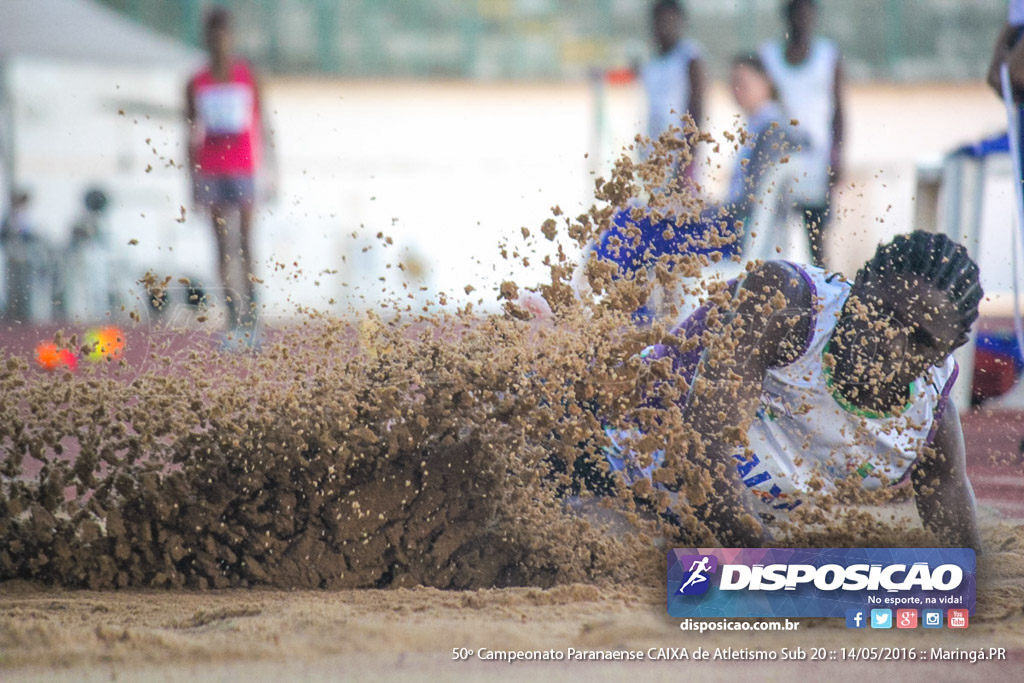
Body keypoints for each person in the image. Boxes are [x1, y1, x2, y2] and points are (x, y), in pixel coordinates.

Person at [598, 231, 983, 551]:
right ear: (858, 286)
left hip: (696, 526)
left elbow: (958, 529)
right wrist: (771, 569)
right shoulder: (788, 303)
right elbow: (703, 447)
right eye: (884, 315)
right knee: (595, 545)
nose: (891, 346)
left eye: (920, 341)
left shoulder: (927, 415)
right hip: (604, 455)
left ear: (943, 353)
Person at [593, 55, 803, 323]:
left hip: (731, 238)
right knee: (633, 221)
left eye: (742, 82)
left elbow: (748, 204)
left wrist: (701, 210)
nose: (735, 89)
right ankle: (634, 320)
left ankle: (634, 323)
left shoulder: (772, 129)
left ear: (767, 83)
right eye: (731, 82)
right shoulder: (762, 125)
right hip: (728, 229)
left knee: (630, 225)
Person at [186, 7, 272, 333]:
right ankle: (233, 315)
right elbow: (190, 134)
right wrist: (192, 182)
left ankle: (253, 311)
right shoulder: (196, 81)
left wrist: (273, 170)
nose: (219, 43)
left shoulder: (247, 75)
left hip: (244, 168)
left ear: (231, 38)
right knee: (222, 246)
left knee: (246, 242)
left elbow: (264, 123)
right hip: (210, 170)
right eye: (213, 37)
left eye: (224, 36)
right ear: (207, 40)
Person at [759, 0, 845, 268]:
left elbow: (839, 112)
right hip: (778, 164)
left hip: (816, 162)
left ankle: (826, 301)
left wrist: (837, 155)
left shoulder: (828, 55)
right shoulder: (769, 55)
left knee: (817, 241)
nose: (802, 19)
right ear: (786, 17)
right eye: (797, 13)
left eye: (807, 14)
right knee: (775, 240)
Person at [641, 0, 707, 179]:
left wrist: (687, 157)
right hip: (654, 147)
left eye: (670, 21)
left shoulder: (690, 57)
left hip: (680, 150)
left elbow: (697, 109)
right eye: (660, 21)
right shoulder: (652, 61)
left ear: (681, 22)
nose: (665, 26)